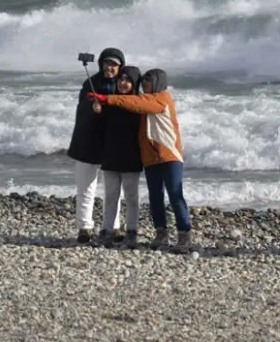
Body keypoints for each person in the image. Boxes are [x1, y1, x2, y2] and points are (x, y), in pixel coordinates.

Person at [88, 68, 191, 251]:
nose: (145, 85)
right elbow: (131, 107)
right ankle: (161, 233)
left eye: (149, 81)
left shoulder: (161, 98)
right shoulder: (143, 102)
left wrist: (107, 98)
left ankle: (184, 234)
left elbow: (138, 102)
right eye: (143, 82)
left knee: (175, 195)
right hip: (150, 158)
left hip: (169, 156)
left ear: (159, 82)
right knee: (155, 197)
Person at [66, 47, 125, 244]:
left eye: (114, 65)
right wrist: (93, 108)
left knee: (113, 188)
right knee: (86, 186)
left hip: (113, 144)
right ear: (101, 64)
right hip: (88, 142)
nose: (110, 67)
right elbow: (83, 107)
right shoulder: (90, 84)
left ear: (120, 67)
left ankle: (113, 226)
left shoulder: (123, 85)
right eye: (107, 63)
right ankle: (85, 227)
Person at [98, 65, 144, 248]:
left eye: (127, 80)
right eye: (121, 80)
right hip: (110, 155)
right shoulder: (110, 102)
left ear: (134, 84)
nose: (123, 83)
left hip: (131, 157)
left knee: (132, 196)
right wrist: (98, 110)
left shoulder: (139, 104)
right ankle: (108, 229)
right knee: (110, 195)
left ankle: (132, 230)